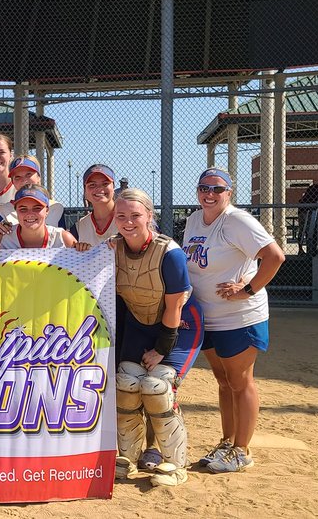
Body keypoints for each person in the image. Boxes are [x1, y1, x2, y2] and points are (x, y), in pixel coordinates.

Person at [181, 168, 285, 474]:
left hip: (239, 317)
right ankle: (227, 442)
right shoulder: (193, 220)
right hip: (208, 316)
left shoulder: (237, 220)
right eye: (204, 188)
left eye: (217, 189)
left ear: (229, 193)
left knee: (241, 382)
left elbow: (275, 256)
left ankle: (242, 450)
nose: (209, 194)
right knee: (223, 382)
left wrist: (248, 290)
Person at [109, 188, 204, 487]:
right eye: (121, 216)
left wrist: (162, 348)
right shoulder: (112, 249)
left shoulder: (169, 252)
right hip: (139, 323)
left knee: (156, 387)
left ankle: (176, 463)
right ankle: (127, 458)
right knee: (126, 384)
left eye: (135, 215)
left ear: (149, 216)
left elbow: (175, 304)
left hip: (179, 326)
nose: (128, 222)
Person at [0, 185, 76, 252]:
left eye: (37, 208)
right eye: (23, 209)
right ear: (16, 211)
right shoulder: (2, 239)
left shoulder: (63, 238)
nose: (30, 214)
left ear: (47, 211)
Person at [0, 156, 67, 233]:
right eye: (17, 177)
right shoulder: (2, 211)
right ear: (12, 182)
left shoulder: (56, 207)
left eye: (28, 175)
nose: (24, 180)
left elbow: (63, 243)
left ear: (39, 177)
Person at [72, 164, 119, 248]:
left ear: (113, 188)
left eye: (105, 184)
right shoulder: (79, 228)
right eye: (92, 185)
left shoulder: (128, 219)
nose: (99, 189)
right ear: (85, 192)